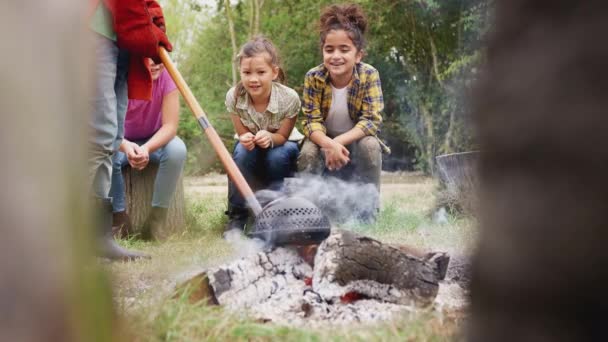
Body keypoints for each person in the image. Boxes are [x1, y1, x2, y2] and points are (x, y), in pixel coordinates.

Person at [88, 0, 172, 260]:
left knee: (111, 140)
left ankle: (99, 238)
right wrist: (148, 32)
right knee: (99, 136)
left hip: (124, 43)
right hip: (93, 33)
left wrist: (155, 27)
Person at [297, 3, 389, 221]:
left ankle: (369, 213)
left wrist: (338, 142)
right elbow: (311, 122)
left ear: (358, 55)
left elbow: (371, 121)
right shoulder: (314, 76)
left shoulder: (369, 75)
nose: (335, 56)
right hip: (323, 137)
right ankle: (308, 212)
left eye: (344, 49)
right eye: (329, 49)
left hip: (355, 137)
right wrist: (329, 144)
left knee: (370, 145)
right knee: (307, 153)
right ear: (323, 51)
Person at [224, 36, 303, 232]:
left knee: (277, 156)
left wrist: (269, 137)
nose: (253, 79)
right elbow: (241, 134)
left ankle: (276, 212)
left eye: (261, 72)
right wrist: (246, 139)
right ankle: (237, 215)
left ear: (274, 72)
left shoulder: (289, 98)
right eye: (246, 72)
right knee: (241, 154)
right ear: (240, 72)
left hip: (283, 142)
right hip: (251, 145)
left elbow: (283, 137)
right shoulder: (234, 97)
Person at [110, 60, 186, 240]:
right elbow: (106, 128)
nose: (154, 64)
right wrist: (126, 146)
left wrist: (146, 148)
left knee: (177, 150)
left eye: (158, 59)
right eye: (146, 59)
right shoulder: (117, 77)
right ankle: (119, 218)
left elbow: (170, 126)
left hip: (154, 141)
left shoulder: (168, 77)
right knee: (104, 153)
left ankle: (156, 220)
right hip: (121, 142)